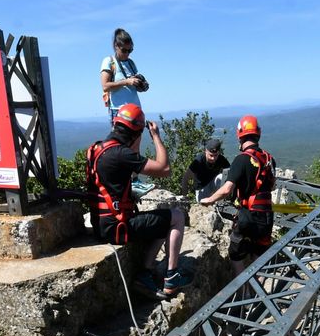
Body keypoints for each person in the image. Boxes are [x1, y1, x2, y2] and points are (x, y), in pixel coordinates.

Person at [87, 103, 191, 297]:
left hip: (101, 224)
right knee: (176, 216)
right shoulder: (121, 154)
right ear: (136, 133)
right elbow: (164, 169)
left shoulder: (97, 149)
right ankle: (171, 277)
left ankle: (146, 272)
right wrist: (156, 137)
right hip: (117, 228)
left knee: (161, 220)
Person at [199, 115, 276, 274]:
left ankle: (244, 292)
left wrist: (210, 199)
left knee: (235, 254)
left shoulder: (241, 159)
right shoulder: (269, 159)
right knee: (258, 256)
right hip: (267, 216)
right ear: (258, 133)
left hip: (248, 216)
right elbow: (273, 185)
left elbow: (227, 189)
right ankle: (256, 292)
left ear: (240, 135)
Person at [100, 28, 148, 122]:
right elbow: (105, 86)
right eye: (124, 50)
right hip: (120, 110)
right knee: (121, 137)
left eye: (130, 50)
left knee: (136, 137)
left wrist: (140, 85)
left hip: (135, 110)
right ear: (116, 46)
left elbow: (132, 87)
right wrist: (126, 82)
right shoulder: (109, 61)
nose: (127, 54)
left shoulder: (131, 63)